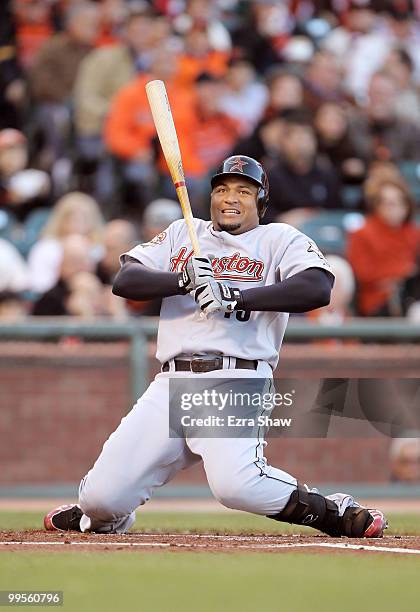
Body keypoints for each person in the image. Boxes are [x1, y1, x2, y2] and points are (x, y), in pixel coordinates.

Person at [44, 155, 387, 539]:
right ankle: (100, 516)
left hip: (236, 379)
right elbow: (126, 280)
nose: (230, 197)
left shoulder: (279, 238)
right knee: (101, 498)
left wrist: (238, 296)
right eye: (222, 189)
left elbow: (317, 288)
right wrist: (183, 279)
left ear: (261, 201)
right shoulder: (182, 233)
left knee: (236, 486)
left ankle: (333, 511)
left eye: (243, 190)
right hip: (171, 384)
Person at [347, 176, 420, 316]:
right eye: (389, 204)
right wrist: (402, 273)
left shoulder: (414, 232)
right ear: (377, 206)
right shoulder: (362, 233)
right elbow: (363, 274)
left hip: (411, 296)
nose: (396, 209)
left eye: (400, 202)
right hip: (379, 302)